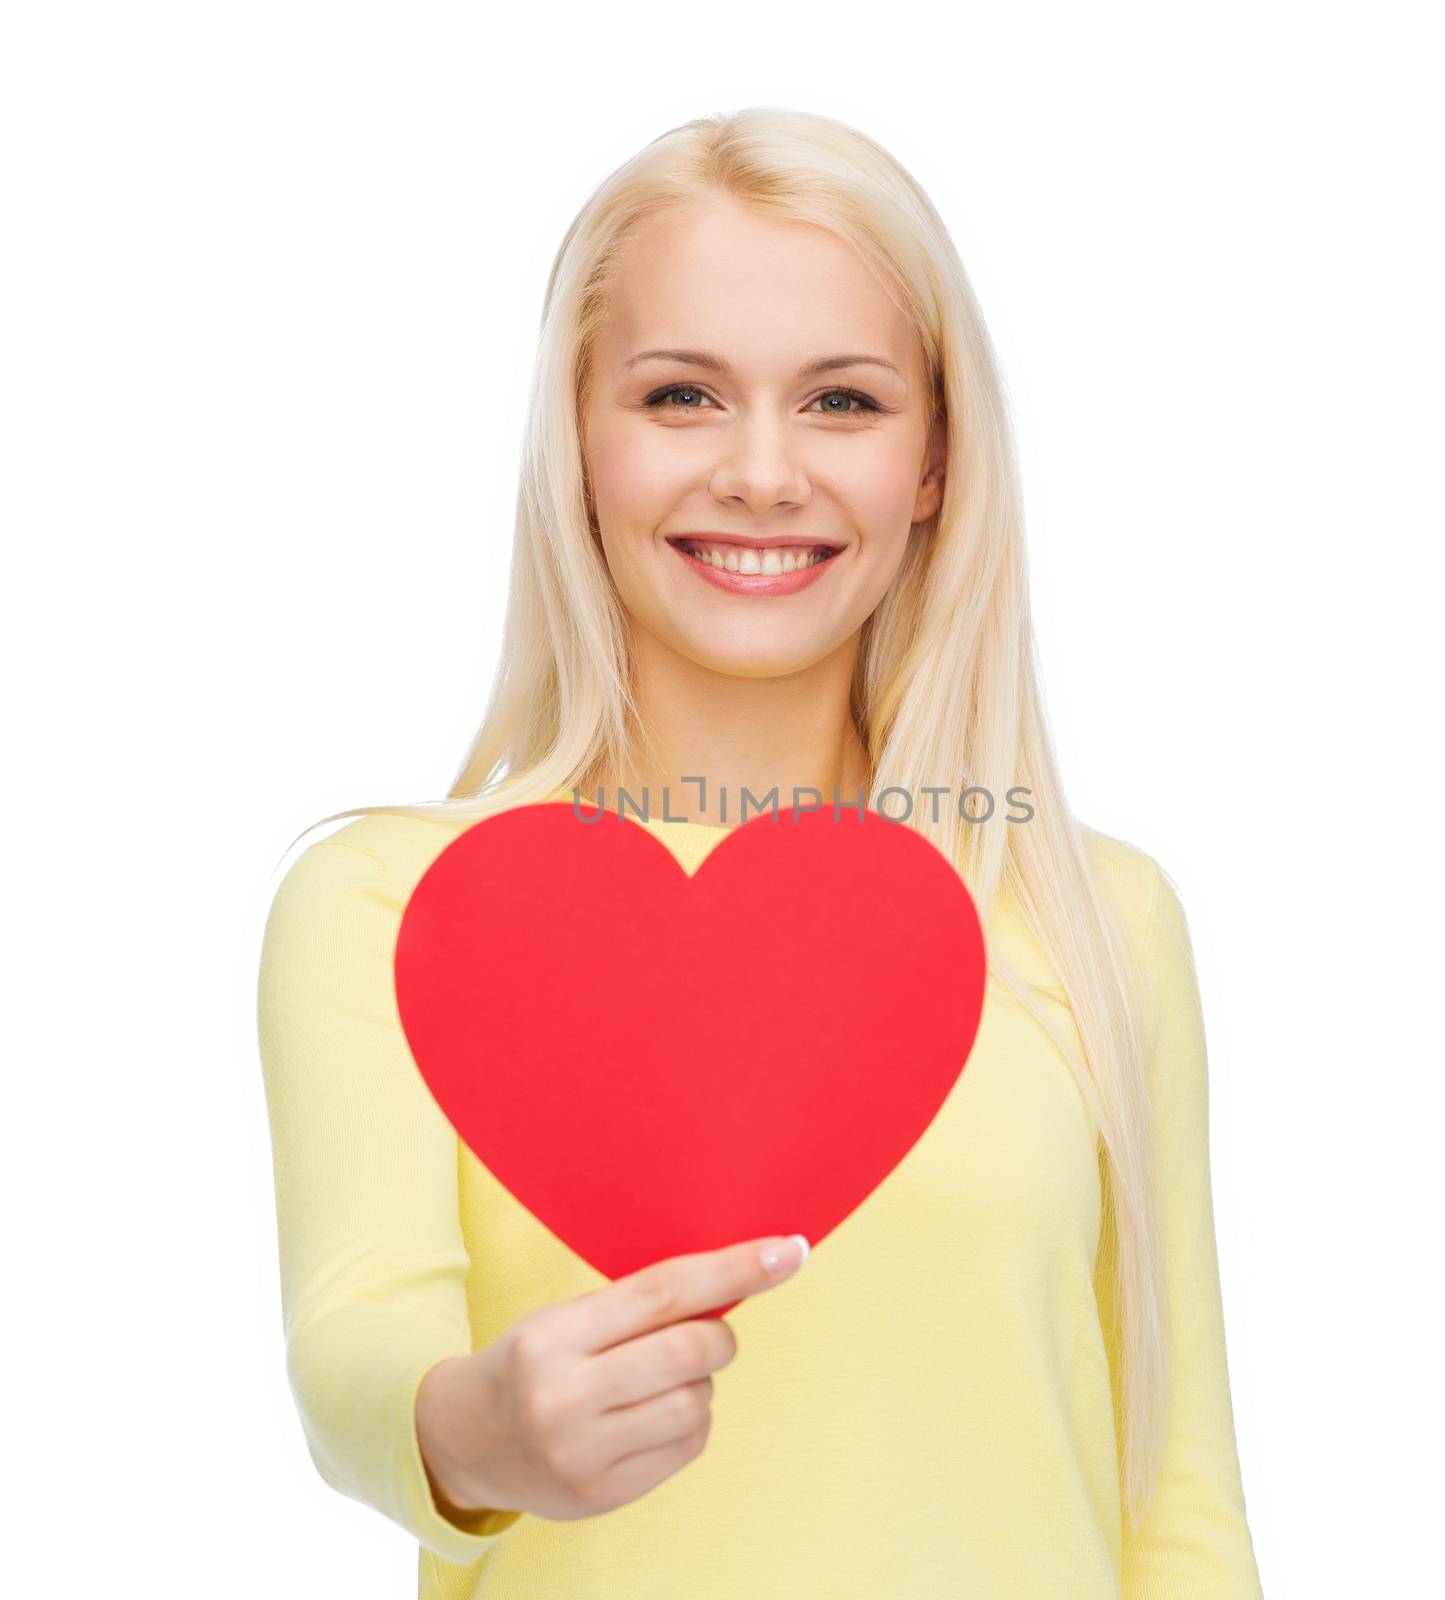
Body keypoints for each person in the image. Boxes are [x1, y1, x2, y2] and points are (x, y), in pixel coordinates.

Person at [256, 106, 1264, 1599]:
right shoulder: (388, 903)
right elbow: (356, 1352)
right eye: (680, 396)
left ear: (935, 461)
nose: (763, 473)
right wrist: (477, 1435)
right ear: (578, 443)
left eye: (844, 404)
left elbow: (1178, 1501)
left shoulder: (1092, 911)